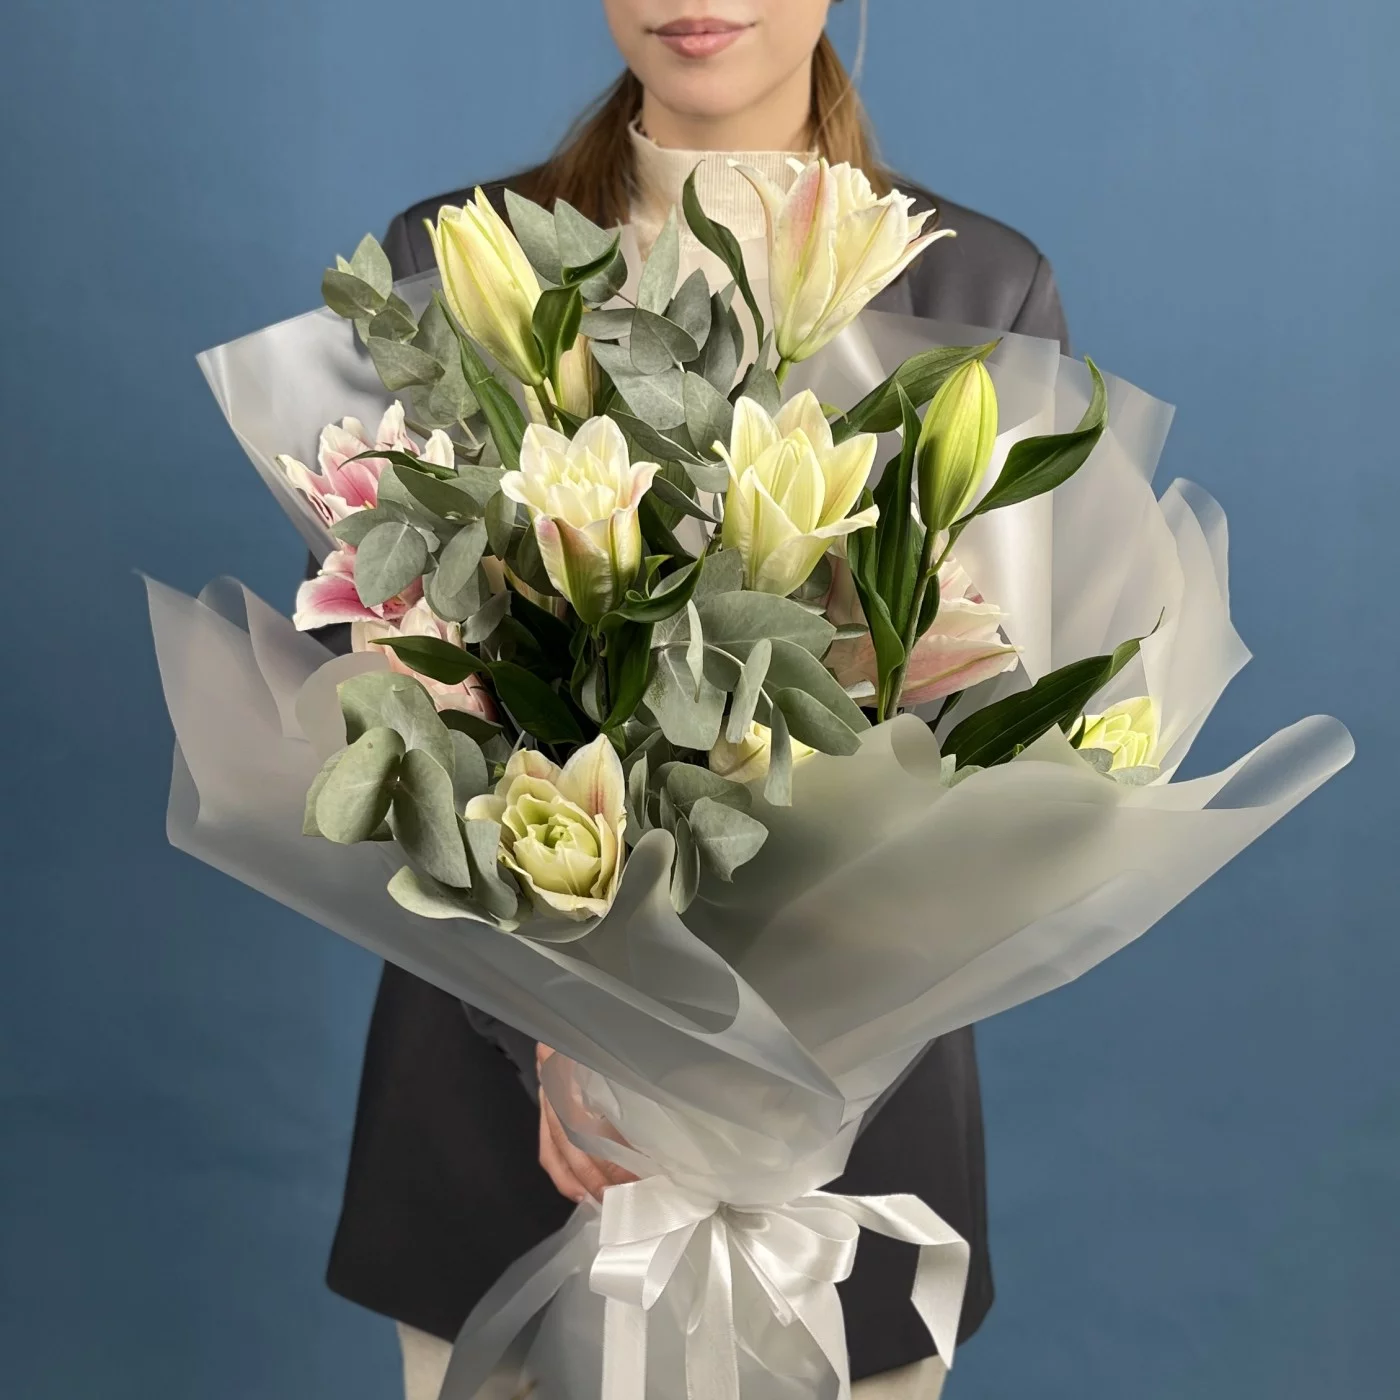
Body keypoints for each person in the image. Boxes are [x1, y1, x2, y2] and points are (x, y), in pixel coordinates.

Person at [321, 4, 1069, 1398]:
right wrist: (561, 1041)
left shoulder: (980, 291)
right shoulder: (456, 259)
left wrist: (774, 1068)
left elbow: (990, 739)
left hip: (842, 1137)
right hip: (500, 1122)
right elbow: (383, 687)